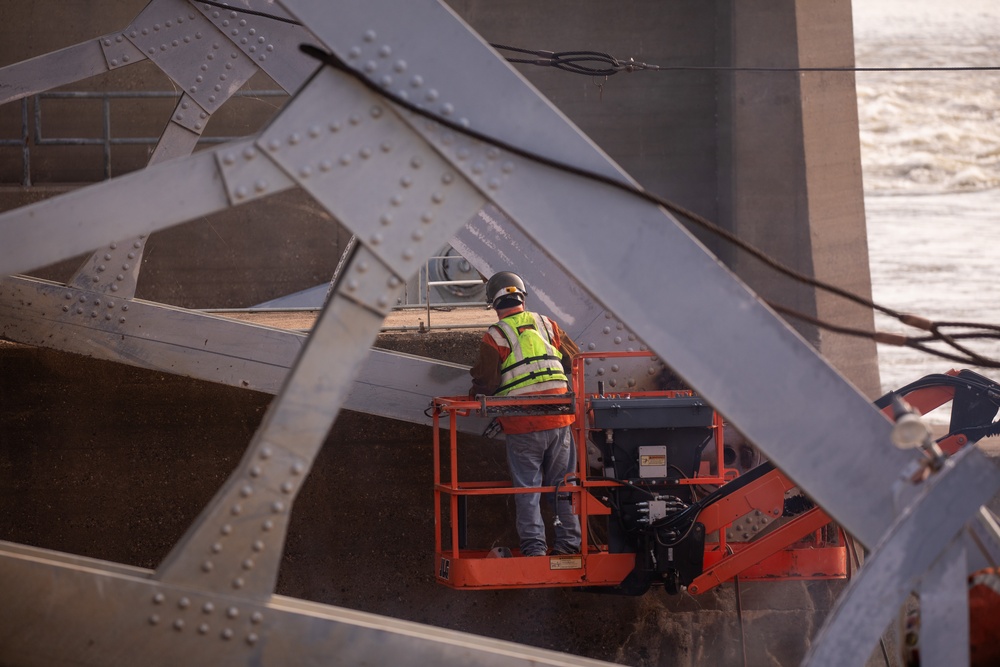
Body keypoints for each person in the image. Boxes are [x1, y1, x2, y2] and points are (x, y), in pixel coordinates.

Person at [469, 271, 582, 557]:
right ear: (521, 298)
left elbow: (488, 383)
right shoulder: (548, 325)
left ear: (493, 304)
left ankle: (535, 552)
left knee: (528, 492)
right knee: (563, 488)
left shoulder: (496, 335)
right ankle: (569, 546)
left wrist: (475, 390)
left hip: (523, 425)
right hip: (560, 421)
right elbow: (573, 358)